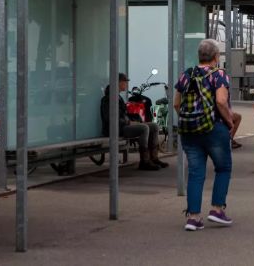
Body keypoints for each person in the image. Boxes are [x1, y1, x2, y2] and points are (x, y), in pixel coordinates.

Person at [174, 39, 236, 232]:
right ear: (216, 57)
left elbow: (176, 103)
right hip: (213, 129)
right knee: (223, 167)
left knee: (195, 173)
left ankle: (193, 218)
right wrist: (229, 122)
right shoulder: (219, 75)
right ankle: (217, 209)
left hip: (189, 131)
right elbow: (221, 101)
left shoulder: (186, 75)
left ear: (199, 56)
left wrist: (190, 119)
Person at [100, 73, 168, 171]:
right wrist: (129, 123)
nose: (126, 84)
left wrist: (133, 120)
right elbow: (111, 118)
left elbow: (123, 114)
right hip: (115, 129)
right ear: (119, 83)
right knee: (144, 128)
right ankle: (144, 161)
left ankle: (154, 158)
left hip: (122, 126)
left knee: (154, 126)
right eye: (125, 82)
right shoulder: (108, 99)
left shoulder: (118, 97)